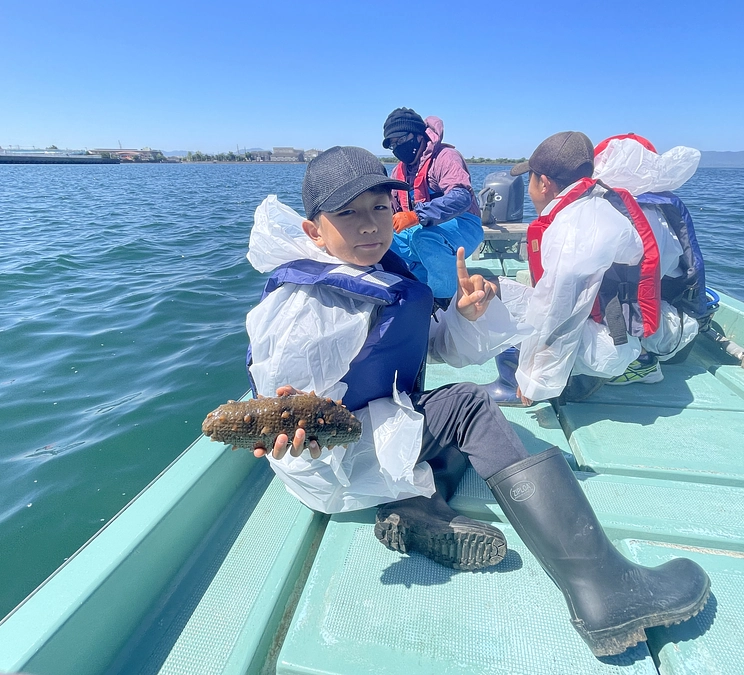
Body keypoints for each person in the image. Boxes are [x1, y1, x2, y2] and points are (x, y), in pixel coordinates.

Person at [243, 145, 710, 657]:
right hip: (333, 463)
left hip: (370, 440)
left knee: (452, 424)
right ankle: (604, 588)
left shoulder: (376, 272)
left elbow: (430, 347)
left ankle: (419, 506)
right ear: (314, 231)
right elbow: (282, 404)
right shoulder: (309, 306)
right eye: (348, 214)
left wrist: (465, 315)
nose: (371, 225)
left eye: (379, 207)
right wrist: (293, 432)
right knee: (467, 406)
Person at [487, 131, 665, 406]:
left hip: (607, 345)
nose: (530, 189)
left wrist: (535, 378)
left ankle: (515, 385)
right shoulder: (592, 203)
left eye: (531, 179)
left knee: (507, 313)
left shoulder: (577, 227)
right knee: (493, 289)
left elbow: (558, 309)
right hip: (613, 331)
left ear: (544, 183)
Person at [592, 133, 707, 383]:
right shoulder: (663, 208)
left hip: (630, 325)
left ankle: (640, 362)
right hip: (667, 320)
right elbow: (675, 266)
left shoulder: (600, 208)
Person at [381, 108, 484, 304]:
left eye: (400, 140)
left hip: (463, 224)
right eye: (392, 144)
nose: (397, 147)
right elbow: (393, 209)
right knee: (383, 240)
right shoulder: (398, 170)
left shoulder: (446, 156)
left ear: (418, 135)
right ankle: (414, 290)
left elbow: (461, 197)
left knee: (424, 238)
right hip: (419, 226)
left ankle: (445, 300)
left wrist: (416, 215)